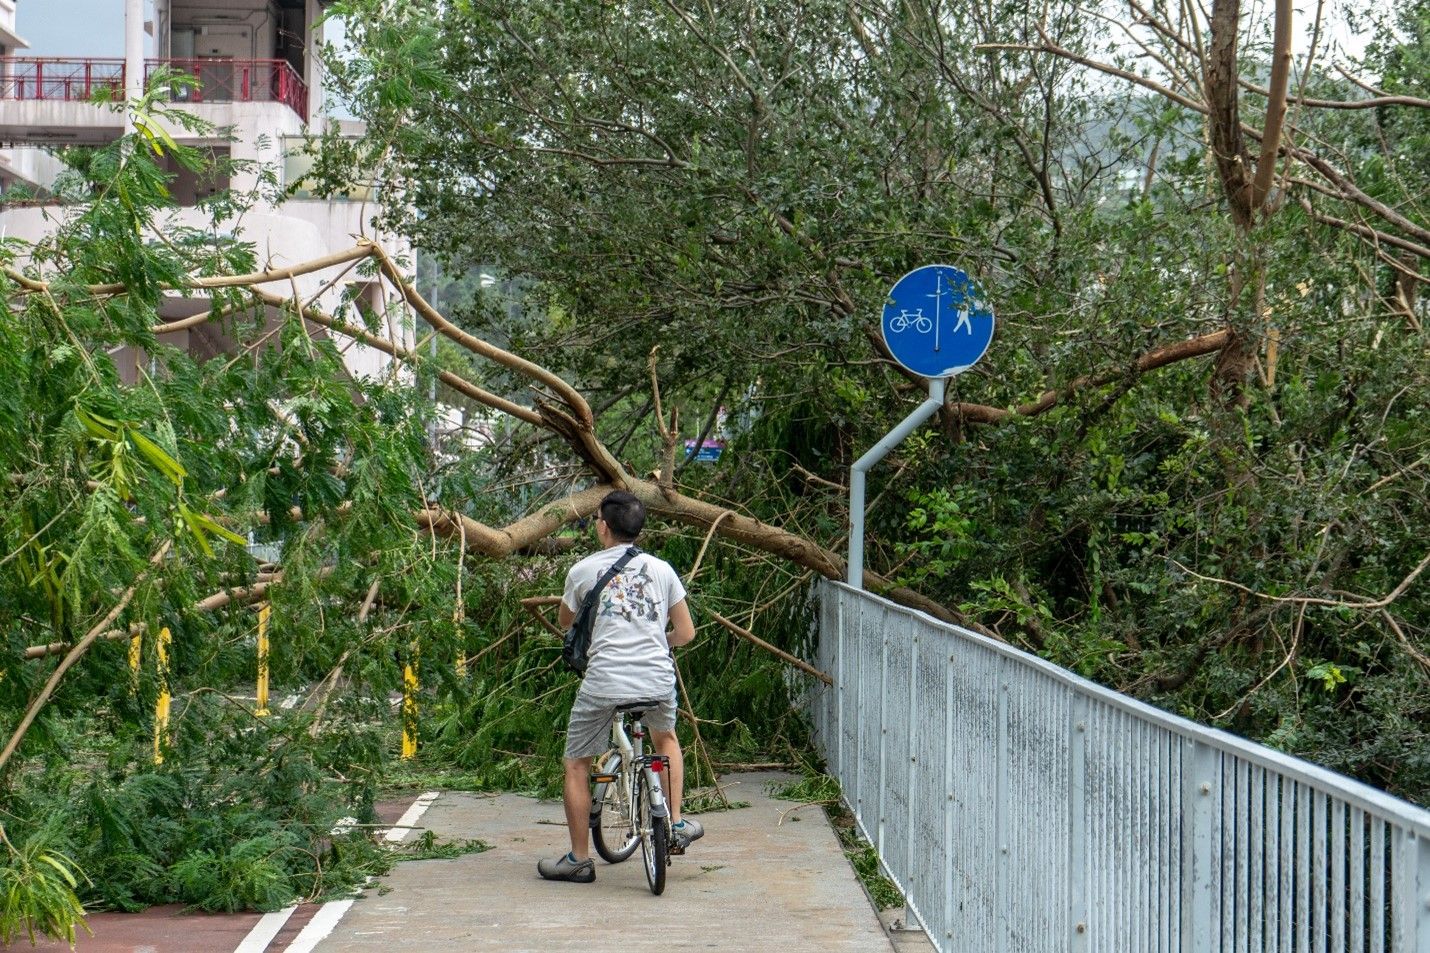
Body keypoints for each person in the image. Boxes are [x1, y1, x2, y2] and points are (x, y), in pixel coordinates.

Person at [537, 490, 700, 883]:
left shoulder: (582, 571)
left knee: (576, 764)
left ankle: (578, 859)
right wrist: (659, 642)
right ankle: (676, 823)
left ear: (603, 526)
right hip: (657, 679)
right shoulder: (662, 570)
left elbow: (565, 620)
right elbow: (686, 632)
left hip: (604, 682)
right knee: (667, 740)